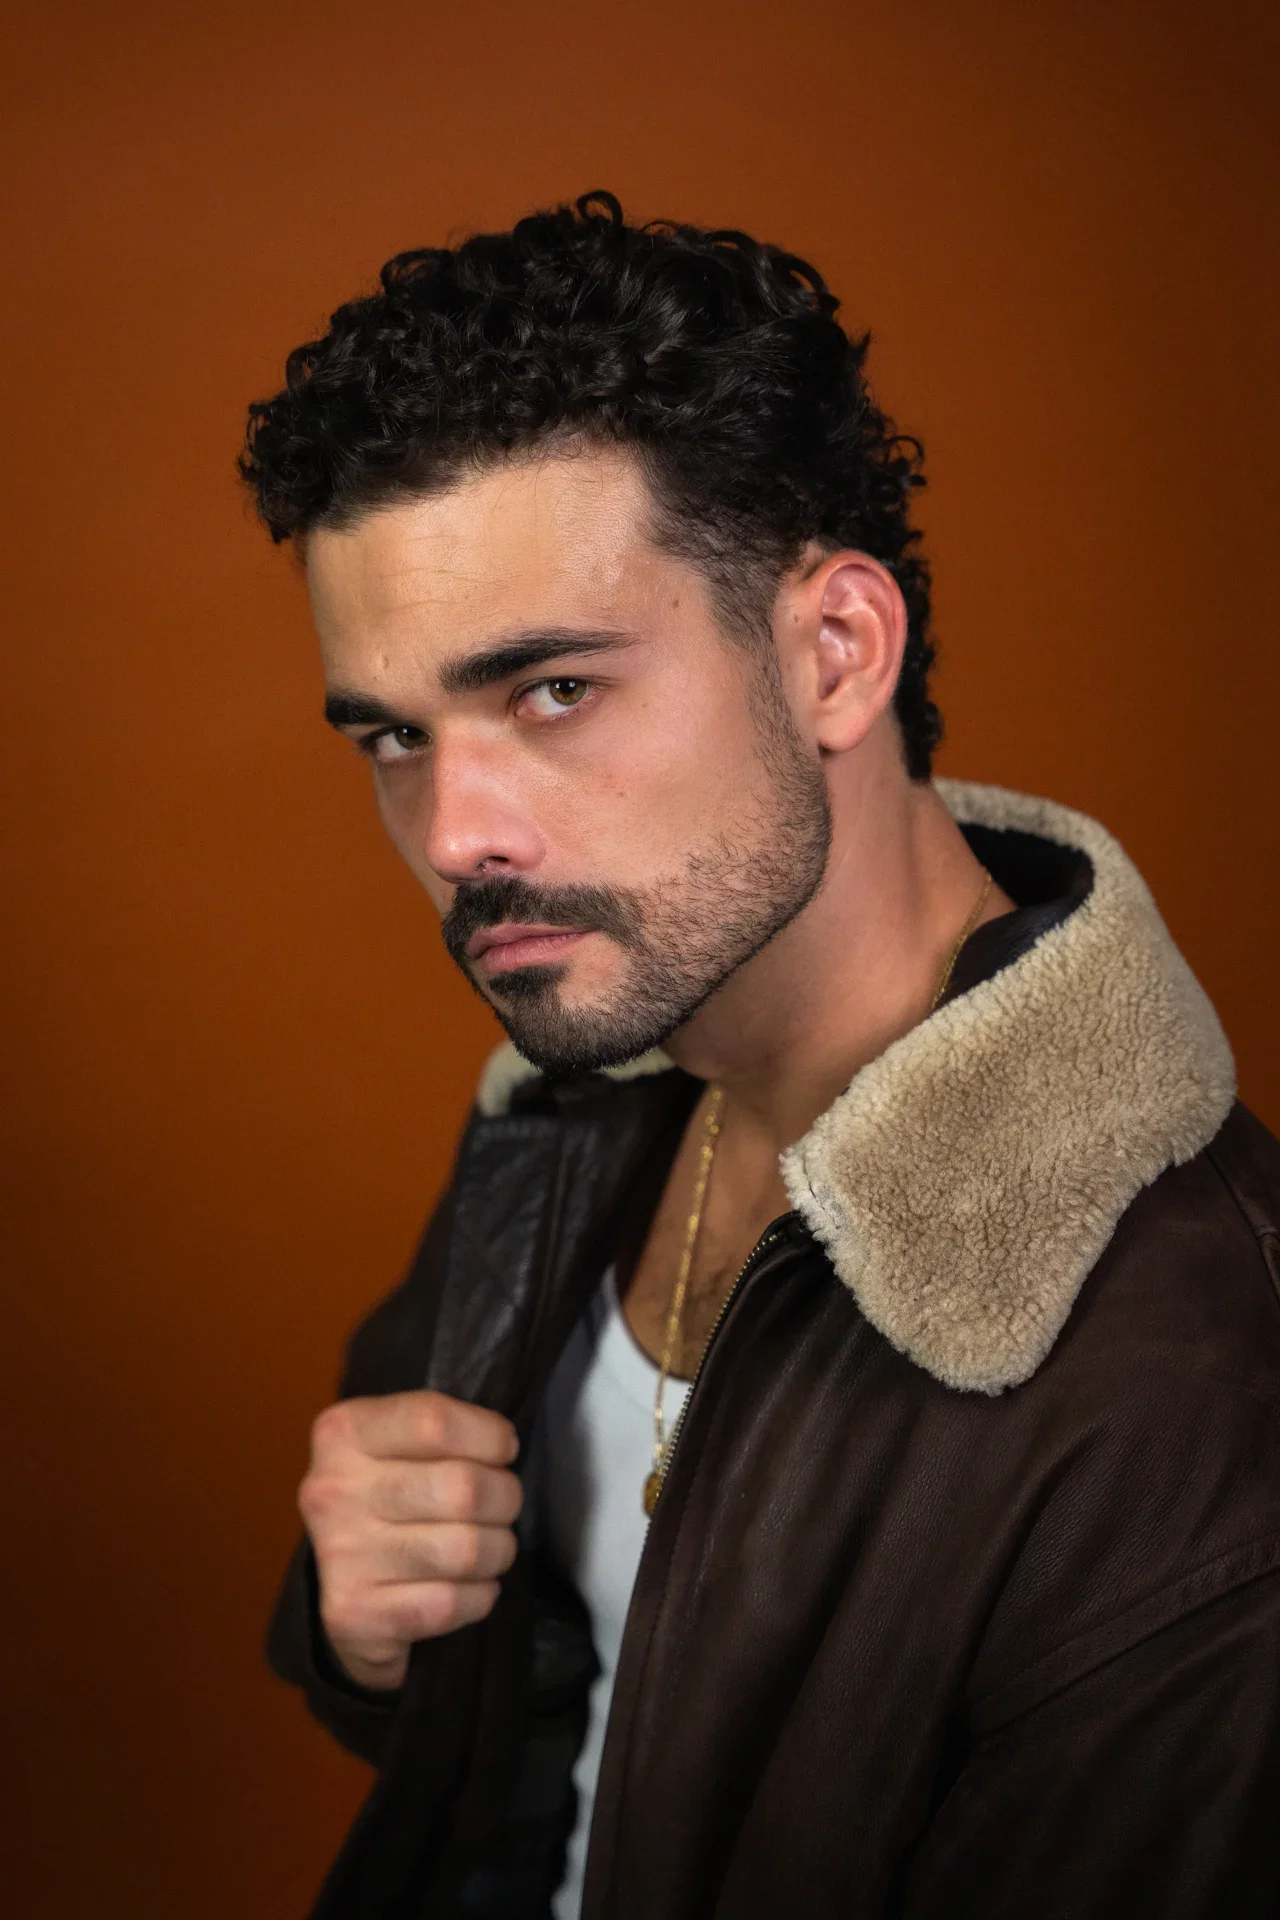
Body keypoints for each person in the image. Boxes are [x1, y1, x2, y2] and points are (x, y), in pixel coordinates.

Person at [240, 192, 1280, 1919]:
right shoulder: (574, 1111)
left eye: (554, 690)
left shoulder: (1201, 1396)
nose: (456, 832)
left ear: (835, 653)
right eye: (394, 737)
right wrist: (364, 1631)